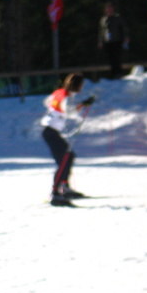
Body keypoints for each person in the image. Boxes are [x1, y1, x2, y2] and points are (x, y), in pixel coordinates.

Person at [40, 72, 95, 207]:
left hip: (50, 131)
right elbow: (69, 111)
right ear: (77, 85)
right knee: (64, 160)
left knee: (68, 157)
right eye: (81, 85)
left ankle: (64, 187)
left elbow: (47, 102)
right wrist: (83, 104)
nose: (81, 87)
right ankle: (56, 193)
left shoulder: (59, 92)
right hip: (51, 131)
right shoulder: (66, 95)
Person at [97, 2, 130, 79]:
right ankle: (112, 74)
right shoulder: (103, 19)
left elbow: (124, 28)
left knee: (117, 58)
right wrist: (100, 41)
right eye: (108, 8)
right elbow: (101, 31)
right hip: (108, 42)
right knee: (110, 58)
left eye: (110, 8)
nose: (109, 10)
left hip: (117, 41)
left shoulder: (117, 18)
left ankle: (118, 73)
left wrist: (126, 37)